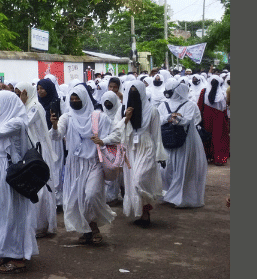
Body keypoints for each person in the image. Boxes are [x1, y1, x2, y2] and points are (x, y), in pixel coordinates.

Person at [0, 90, 37, 273]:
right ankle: (3, 247)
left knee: (9, 214)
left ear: (6, 104)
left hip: (9, 172)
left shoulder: (17, 122)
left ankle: (17, 257)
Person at [50, 83, 116, 245]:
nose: (74, 101)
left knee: (91, 195)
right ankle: (88, 229)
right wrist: (54, 126)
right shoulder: (68, 117)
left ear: (85, 99)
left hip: (94, 162)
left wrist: (103, 141)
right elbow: (57, 136)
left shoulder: (99, 117)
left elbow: (114, 134)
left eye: (77, 98)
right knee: (77, 199)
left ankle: (93, 226)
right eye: (71, 99)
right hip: (74, 163)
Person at [15, 82, 61, 239]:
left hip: (39, 152)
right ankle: (35, 224)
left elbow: (23, 124)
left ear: (26, 93)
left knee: (42, 190)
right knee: (34, 189)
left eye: (19, 93)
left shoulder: (34, 107)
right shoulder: (27, 107)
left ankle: (43, 225)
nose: (18, 97)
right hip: (31, 152)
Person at [121, 80, 168, 227]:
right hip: (131, 148)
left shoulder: (152, 110)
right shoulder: (125, 110)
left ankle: (147, 208)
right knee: (131, 182)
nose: (133, 94)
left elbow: (156, 134)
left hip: (147, 147)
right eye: (131, 91)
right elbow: (119, 132)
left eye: (136, 91)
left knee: (139, 180)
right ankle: (144, 214)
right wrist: (126, 119)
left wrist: (159, 154)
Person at [160, 80, 208, 208]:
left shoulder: (190, 105)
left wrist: (174, 118)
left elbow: (187, 120)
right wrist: (171, 116)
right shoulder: (163, 104)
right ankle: (169, 194)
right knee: (166, 169)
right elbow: (159, 119)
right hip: (167, 140)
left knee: (182, 169)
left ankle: (178, 198)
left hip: (184, 141)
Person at [203, 73, 230, 165]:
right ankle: (219, 158)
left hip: (207, 119)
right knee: (219, 138)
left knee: (207, 137)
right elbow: (224, 108)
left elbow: (200, 106)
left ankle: (208, 157)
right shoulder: (222, 93)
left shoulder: (204, 92)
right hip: (219, 118)